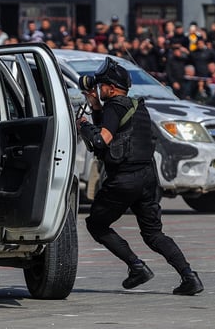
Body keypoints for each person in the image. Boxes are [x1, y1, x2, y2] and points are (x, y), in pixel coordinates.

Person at [78, 58, 204, 296]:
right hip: (147, 179)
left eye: (102, 85)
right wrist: (95, 108)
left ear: (112, 88)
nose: (98, 88)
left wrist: (83, 125)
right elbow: (116, 133)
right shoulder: (136, 106)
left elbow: (100, 141)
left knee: (96, 224)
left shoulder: (114, 106)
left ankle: (137, 267)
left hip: (124, 180)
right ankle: (189, 276)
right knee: (153, 234)